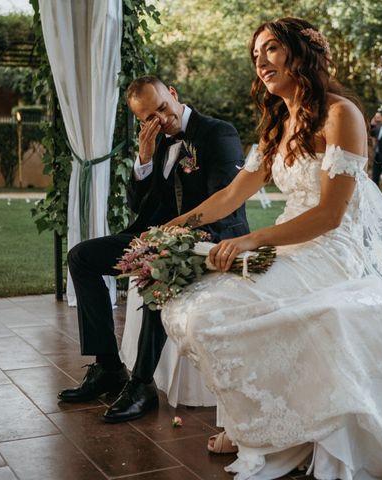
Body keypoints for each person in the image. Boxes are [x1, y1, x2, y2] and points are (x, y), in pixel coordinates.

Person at [160, 17, 382, 480]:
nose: (261, 62)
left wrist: (252, 239)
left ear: (299, 54)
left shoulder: (340, 114)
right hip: (289, 244)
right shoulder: (277, 124)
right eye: (256, 55)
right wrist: (169, 230)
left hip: (329, 250)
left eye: (270, 49)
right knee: (197, 307)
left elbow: (330, 214)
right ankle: (256, 424)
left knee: (219, 310)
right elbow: (231, 195)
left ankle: (260, 429)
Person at [58, 76, 249, 423]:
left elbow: (225, 202)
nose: (160, 120)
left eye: (162, 108)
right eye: (149, 118)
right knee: (81, 258)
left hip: (208, 240)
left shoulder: (217, 133)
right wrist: (143, 160)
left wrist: (171, 238)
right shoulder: (158, 140)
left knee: (155, 268)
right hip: (155, 236)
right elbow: (140, 207)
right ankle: (108, 366)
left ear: (173, 94)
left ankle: (142, 384)